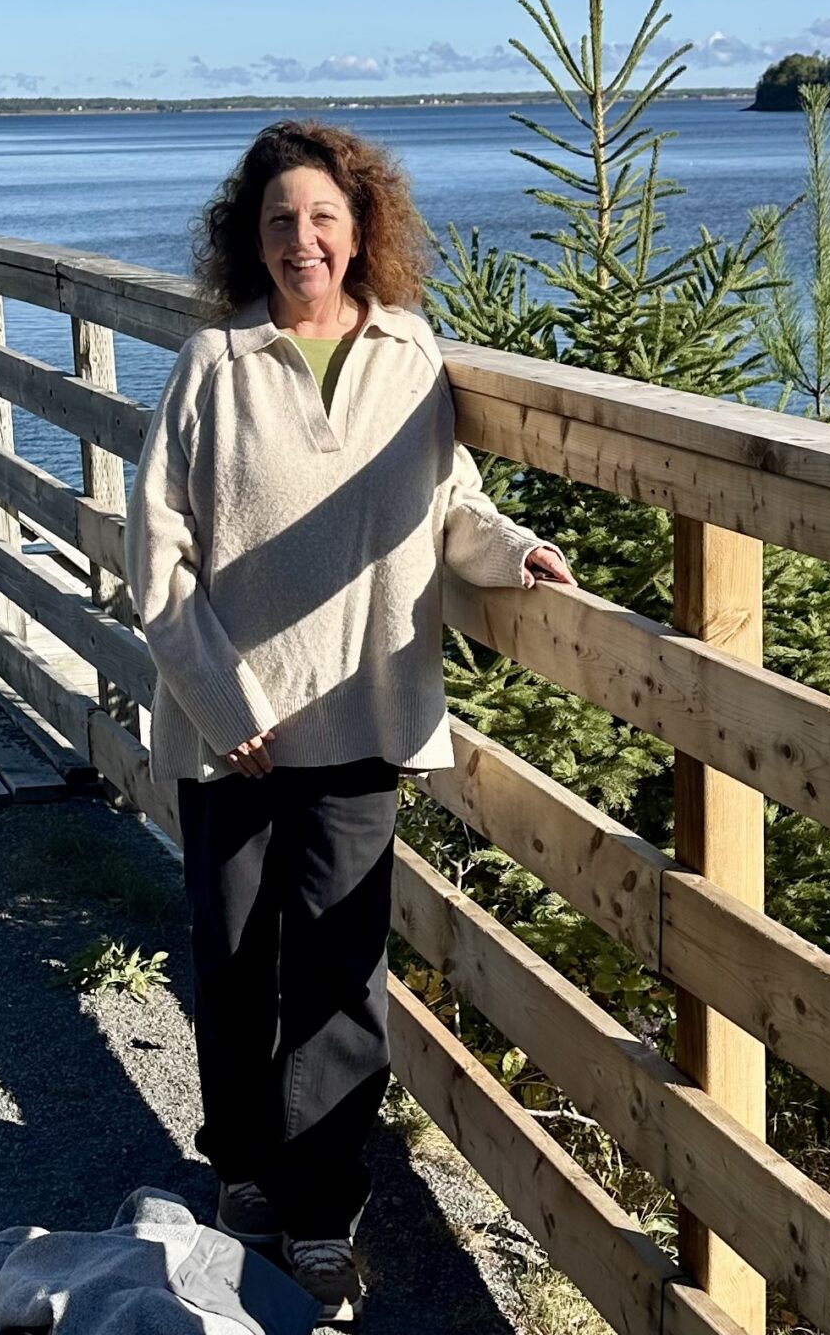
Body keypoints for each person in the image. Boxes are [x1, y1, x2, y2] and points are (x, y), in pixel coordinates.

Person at [122, 119, 571, 1327]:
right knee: (232, 964)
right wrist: (225, 704)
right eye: (278, 222)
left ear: (361, 228)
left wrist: (515, 553)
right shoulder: (215, 363)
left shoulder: (411, 353)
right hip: (232, 728)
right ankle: (243, 1169)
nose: (301, 240)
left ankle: (322, 1213)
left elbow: (451, 504)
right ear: (249, 239)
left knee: (338, 979)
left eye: (322, 218)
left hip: (362, 714)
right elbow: (153, 555)